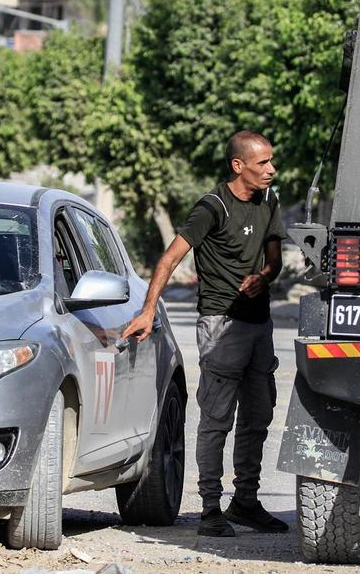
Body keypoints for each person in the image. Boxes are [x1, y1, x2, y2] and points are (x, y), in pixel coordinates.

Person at [123, 130, 289, 537]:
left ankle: (245, 502)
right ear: (239, 166)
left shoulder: (269, 200)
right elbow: (169, 258)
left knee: (258, 417)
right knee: (217, 419)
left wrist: (263, 279)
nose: (271, 169)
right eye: (262, 163)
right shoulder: (211, 207)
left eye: (271, 161)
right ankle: (210, 508)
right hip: (220, 325)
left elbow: (274, 262)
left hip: (259, 325)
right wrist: (148, 311)